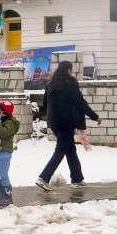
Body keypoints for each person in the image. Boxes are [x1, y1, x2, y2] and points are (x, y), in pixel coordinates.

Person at [35, 61, 101, 190]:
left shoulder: (50, 84)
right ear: (69, 70)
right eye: (71, 70)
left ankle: (77, 179)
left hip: (54, 122)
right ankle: (43, 178)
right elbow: (79, 102)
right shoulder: (70, 82)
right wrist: (94, 116)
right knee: (60, 151)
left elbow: (45, 104)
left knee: (70, 150)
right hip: (66, 122)